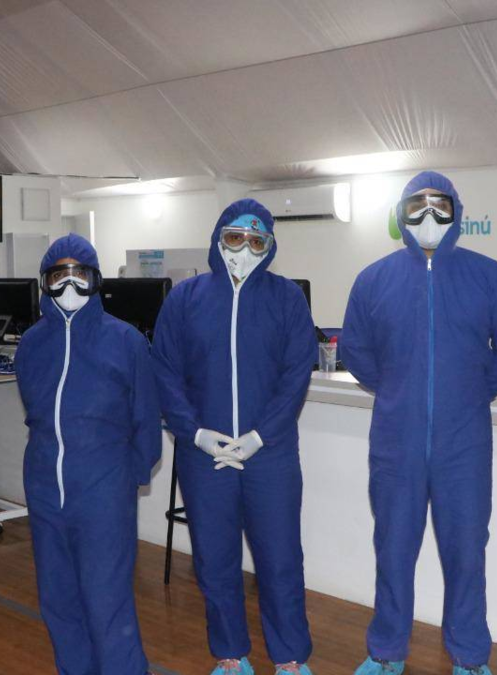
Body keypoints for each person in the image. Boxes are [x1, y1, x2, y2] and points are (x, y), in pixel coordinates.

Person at [339, 171, 497, 675]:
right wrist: (396, 389)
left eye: (438, 205)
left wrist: (474, 391)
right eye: (416, 205)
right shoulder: (373, 279)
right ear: (401, 214)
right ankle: (385, 653)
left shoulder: (488, 276)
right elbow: (354, 348)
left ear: (456, 211)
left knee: (466, 553)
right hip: (395, 441)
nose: (427, 215)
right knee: (393, 550)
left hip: (464, 444)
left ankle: (469, 658)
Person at [152, 199, 318, 675]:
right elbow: (165, 371)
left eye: (256, 241)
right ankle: (229, 654)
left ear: (269, 247)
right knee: (215, 560)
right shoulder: (185, 299)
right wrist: (195, 434)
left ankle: (290, 658)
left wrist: (260, 436)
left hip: (271, 455)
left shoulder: (287, 299)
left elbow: (296, 375)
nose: (243, 250)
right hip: (205, 458)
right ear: (217, 238)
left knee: (280, 559)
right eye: (234, 238)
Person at [15, 233, 161, 675]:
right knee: (58, 600)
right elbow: (37, 413)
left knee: (106, 602)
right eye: (59, 275)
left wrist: (125, 481)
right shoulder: (31, 344)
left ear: (96, 280)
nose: (69, 285)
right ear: (45, 282)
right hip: (45, 489)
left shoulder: (125, 341)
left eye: (80, 274)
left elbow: (146, 419)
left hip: (104, 491)